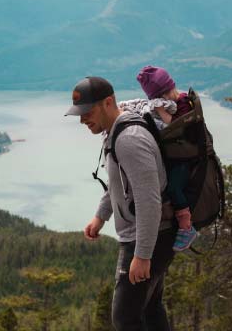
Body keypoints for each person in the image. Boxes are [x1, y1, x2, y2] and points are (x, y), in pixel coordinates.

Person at [65, 76, 175, 331]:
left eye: (87, 112)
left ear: (108, 102)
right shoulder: (117, 131)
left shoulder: (129, 139)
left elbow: (149, 201)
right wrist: (101, 216)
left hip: (148, 237)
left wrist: (143, 254)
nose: (82, 120)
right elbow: (121, 184)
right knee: (149, 308)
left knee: (125, 318)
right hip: (154, 234)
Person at [137, 65, 198, 252]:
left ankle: (186, 227)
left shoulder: (183, 103)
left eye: (166, 93)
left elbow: (174, 125)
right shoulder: (175, 102)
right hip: (177, 156)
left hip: (184, 159)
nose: (166, 98)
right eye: (161, 96)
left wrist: (160, 109)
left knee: (174, 188)